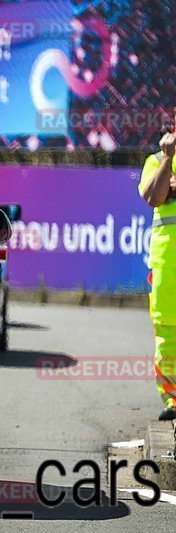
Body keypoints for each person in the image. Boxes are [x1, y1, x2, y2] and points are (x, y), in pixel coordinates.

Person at [139, 128, 176, 420]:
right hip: (167, 265)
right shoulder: (157, 160)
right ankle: (173, 399)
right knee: (167, 332)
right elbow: (154, 196)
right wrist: (167, 159)